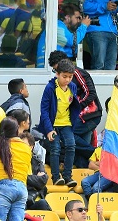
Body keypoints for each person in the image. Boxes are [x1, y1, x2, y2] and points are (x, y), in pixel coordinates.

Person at [47, 51, 102, 160]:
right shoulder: (60, 80)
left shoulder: (77, 74)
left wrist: (77, 107)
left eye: (57, 68)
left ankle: (95, 153)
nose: (56, 73)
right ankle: (88, 162)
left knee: (65, 133)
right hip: (78, 117)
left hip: (90, 115)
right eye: (55, 70)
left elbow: (90, 93)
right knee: (77, 142)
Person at [37, 59, 80, 187]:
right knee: (55, 149)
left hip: (66, 123)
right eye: (64, 76)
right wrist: (49, 129)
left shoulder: (72, 87)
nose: (67, 80)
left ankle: (67, 176)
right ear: (57, 74)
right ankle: (56, 177)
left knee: (71, 146)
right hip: (53, 124)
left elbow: (73, 105)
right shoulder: (50, 88)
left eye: (70, 77)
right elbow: (44, 110)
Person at [0, 117, 32, 221]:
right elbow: (28, 172)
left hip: (1, 188)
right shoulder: (26, 148)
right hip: (21, 189)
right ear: (17, 130)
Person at [19, 132, 50, 211]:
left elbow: (42, 181)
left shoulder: (37, 162)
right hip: (19, 198)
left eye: (24, 145)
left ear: (31, 147)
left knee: (43, 204)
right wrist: (34, 178)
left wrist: (23, 177)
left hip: (33, 197)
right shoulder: (12, 161)